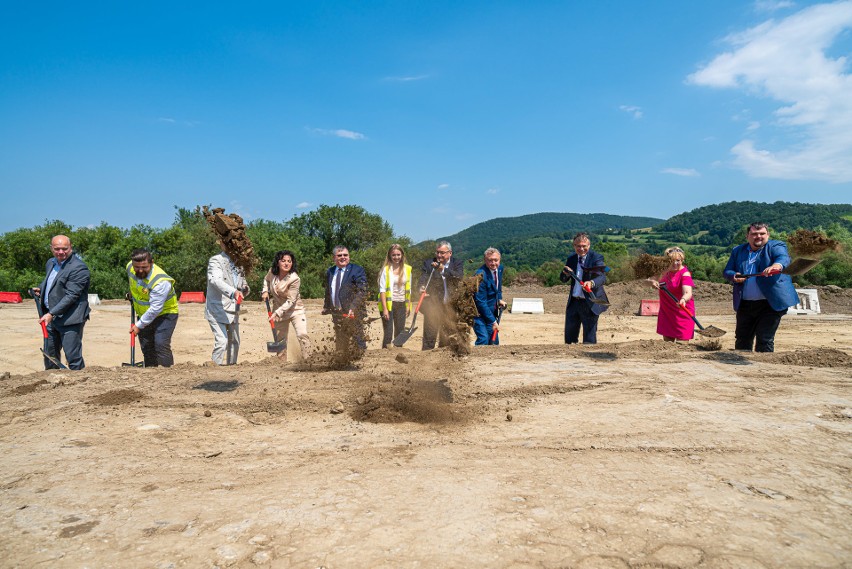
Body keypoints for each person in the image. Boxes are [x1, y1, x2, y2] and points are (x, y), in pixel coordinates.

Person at [723, 222, 799, 352]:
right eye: (754, 234)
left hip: (770, 304)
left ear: (768, 235)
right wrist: (734, 276)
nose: (758, 236)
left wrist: (777, 266)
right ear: (747, 236)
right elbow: (727, 271)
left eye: (762, 233)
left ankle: (764, 368)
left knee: (764, 339)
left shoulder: (776, 245)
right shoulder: (738, 250)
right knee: (742, 339)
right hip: (745, 304)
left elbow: (783, 258)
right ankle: (740, 369)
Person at [34, 235, 91, 370]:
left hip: (70, 318)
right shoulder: (51, 263)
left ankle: (79, 385)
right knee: (50, 356)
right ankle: (53, 384)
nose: (61, 252)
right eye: (57, 249)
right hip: (50, 317)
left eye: (64, 249)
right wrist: (41, 290)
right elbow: (52, 282)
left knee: (73, 356)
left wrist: (51, 313)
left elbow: (71, 295)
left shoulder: (79, 268)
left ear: (70, 247)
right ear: (51, 248)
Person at [126, 248, 179, 367]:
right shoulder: (130, 267)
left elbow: (155, 309)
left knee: (160, 343)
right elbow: (132, 282)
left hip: (165, 314)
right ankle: (150, 373)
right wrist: (131, 293)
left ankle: (167, 373)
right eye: (137, 267)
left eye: (144, 267)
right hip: (144, 313)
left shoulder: (160, 282)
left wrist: (138, 325)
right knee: (147, 346)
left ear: (152, 263)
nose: (140, 270)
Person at [262, 250, 312, 362]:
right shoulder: (272, 272)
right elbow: (266, 280)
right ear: (278, 262)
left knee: (302, 334)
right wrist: (265, 291)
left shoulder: (294, 279)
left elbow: (291, 301)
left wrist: (277, 313)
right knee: (280, 340)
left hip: (295, 310)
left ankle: (309, 360)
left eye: (289, 261)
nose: (286, 263)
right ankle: (281, 363)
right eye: (283, 261)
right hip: (278, 310)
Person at [559, 232, 608, 344]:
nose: (581, 249)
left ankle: (589, 361)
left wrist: (591, 283)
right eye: (578, 246)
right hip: (573, 303)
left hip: (590, 302)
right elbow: (563, 279)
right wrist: (565, 274)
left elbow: (602, 277)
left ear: (589, 245)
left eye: (584, 246)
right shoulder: (571, 258)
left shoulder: (596, 258)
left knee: (589, 341)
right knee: (569, 340)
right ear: (574, 246)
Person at [205, 246, 250, 365]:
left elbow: (242, 283)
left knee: (235, 341)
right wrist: (233, 292)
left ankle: (231, 367)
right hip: (217, 308)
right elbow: (215, 281)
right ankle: (215, 367)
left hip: (234, 308)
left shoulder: (239, 264)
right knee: (222, 341)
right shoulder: (216, 260)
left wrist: (244, 289)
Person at [420, 240, 464, 350]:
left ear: (450, 253)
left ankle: (444, 364)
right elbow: (423, 278)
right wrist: (421, 287)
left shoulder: (457, 263)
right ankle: (424, 363)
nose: (439, 255)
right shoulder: (429, 263)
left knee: (447, 338)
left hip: (450, 307)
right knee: (429, 338)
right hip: (434, 306)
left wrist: (443, 269)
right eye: (437, 252)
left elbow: (459, 277)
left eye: (442, 253)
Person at [322, 246, 368, 352]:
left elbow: (362, 290)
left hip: (354, 311)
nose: (343, 257)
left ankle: (360, 364)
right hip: (337, 312)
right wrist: (326, 306)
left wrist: (353, 307)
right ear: (334, 258)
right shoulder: (330, 271)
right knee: (341, 339)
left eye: (345, 255)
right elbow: (329, 290)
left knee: (358, 338)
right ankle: (342, 361)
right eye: (339, 255)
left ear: (349, 257)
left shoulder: (357, 270)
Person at [647, 246, 695, 342]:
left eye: (678, 260)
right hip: (667, 313)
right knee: (667, 346)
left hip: (682, 313)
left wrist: (683, 299)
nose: (675, 263)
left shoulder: (685, 274)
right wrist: (652, 282)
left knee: (682, 347)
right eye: (671, 260)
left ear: (682, 260)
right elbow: (647, 280)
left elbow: (687, 292)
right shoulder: (662, 272)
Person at [378, 244, 412, 348]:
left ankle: (397, 357)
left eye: (398, 254)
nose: (396, 257)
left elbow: (409, 290)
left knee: (400, 332)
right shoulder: (386, 270)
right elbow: (382, 290)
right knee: (388, 333)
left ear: (402, 255)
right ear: (389, 256)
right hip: (388, 305)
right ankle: (385, 356)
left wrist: (408, 306)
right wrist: (385, 309)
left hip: (401, 303)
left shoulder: (407, 269)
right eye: (393, 255)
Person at [473, 248, 508, 345]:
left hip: (490, 310)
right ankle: (479, 360)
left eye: (496, 260)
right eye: (490, 260)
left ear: (499, 259)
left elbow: (498, 287)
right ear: (485, 260)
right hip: (478, 313)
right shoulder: (480, 276)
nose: (493, 263)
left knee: (494, 340)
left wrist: (499, 299)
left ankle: (493, 360)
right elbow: (480, 302)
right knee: (484, 339)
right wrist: (493, 321)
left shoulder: (500, 268)